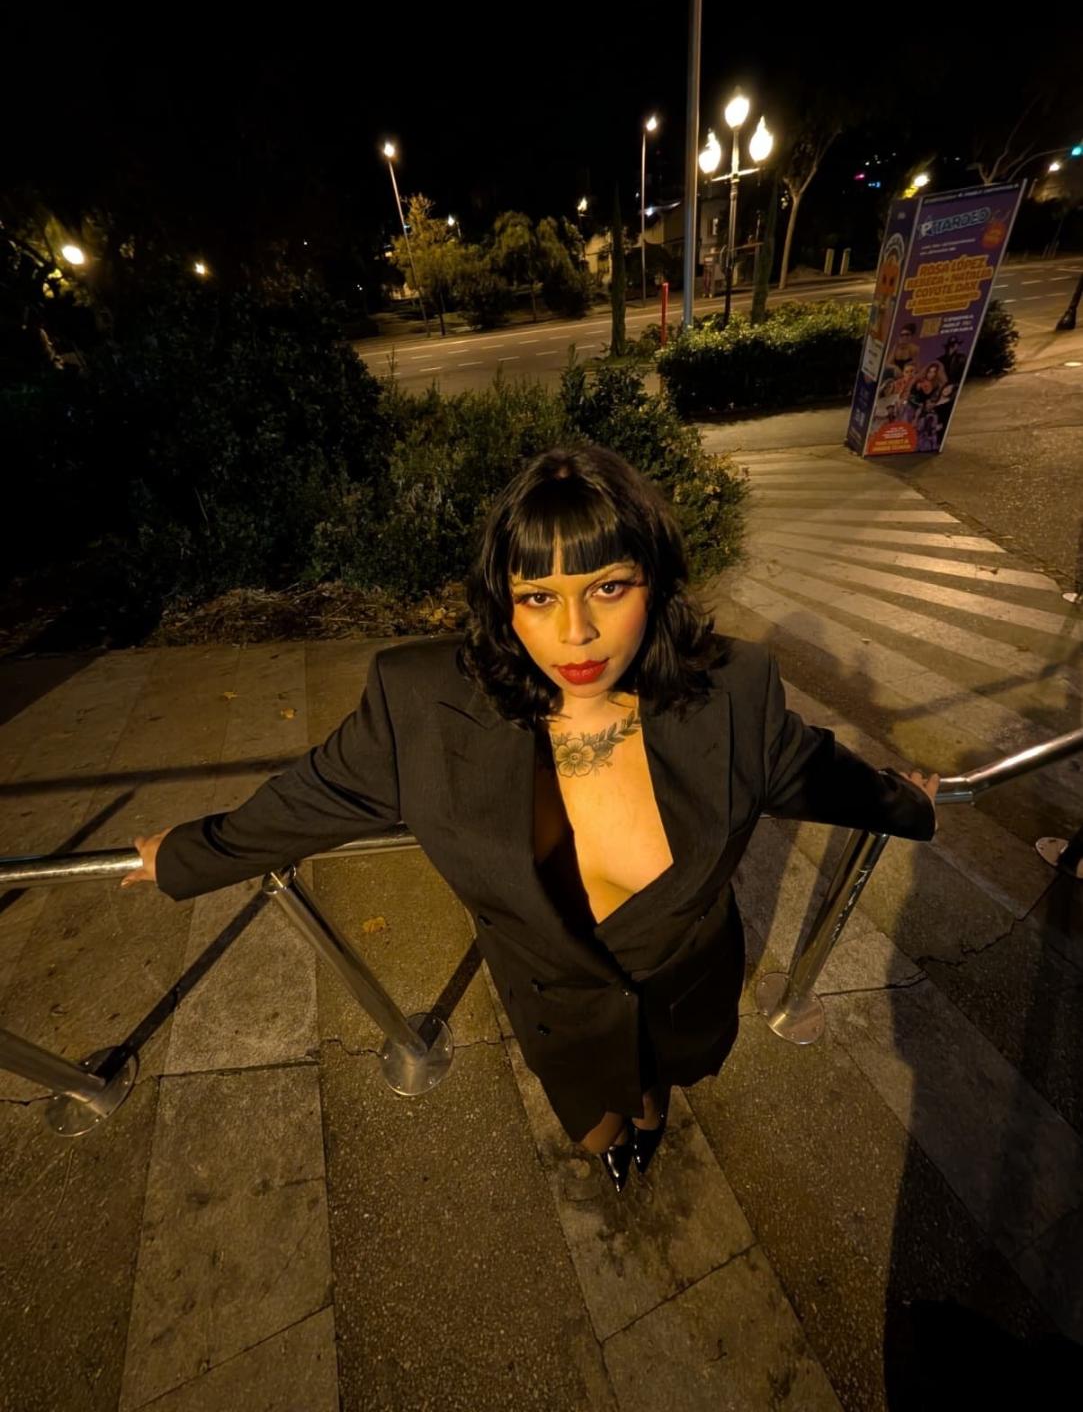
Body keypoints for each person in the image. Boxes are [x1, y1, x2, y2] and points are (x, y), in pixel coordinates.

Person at [122, 444, 939, 1194]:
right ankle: (610, 1139)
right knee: (589, 1119)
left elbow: (812, 771)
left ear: (654, 583)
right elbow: (313, 797)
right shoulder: (421, 706)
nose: (575, 634)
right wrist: (186, 855)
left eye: (608, 588)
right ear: (503, 603)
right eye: (538, 597)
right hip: (554, 1011)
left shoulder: (734, 690)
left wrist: (907, 802)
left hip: (684, 991)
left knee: (655, 1088)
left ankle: (646, 1117)